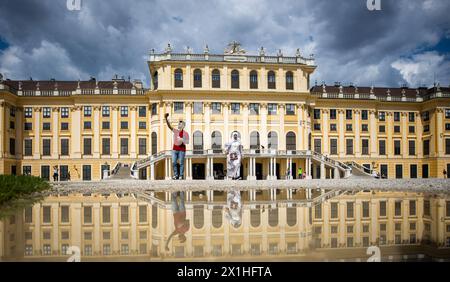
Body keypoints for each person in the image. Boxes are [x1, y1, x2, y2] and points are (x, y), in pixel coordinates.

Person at [165, 113, 189, 180]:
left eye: (180, 124)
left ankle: (181, 175)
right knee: (174, 162)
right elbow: (169, 126)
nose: (179, 125)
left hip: (182, 150)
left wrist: (182, 139)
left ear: (183, 126)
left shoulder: (185, 133)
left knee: (181, 163)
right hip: (174, 149)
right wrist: (166, 119)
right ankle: (176, 175)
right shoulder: (175, 131)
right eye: (178, 124)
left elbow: (187, 142)